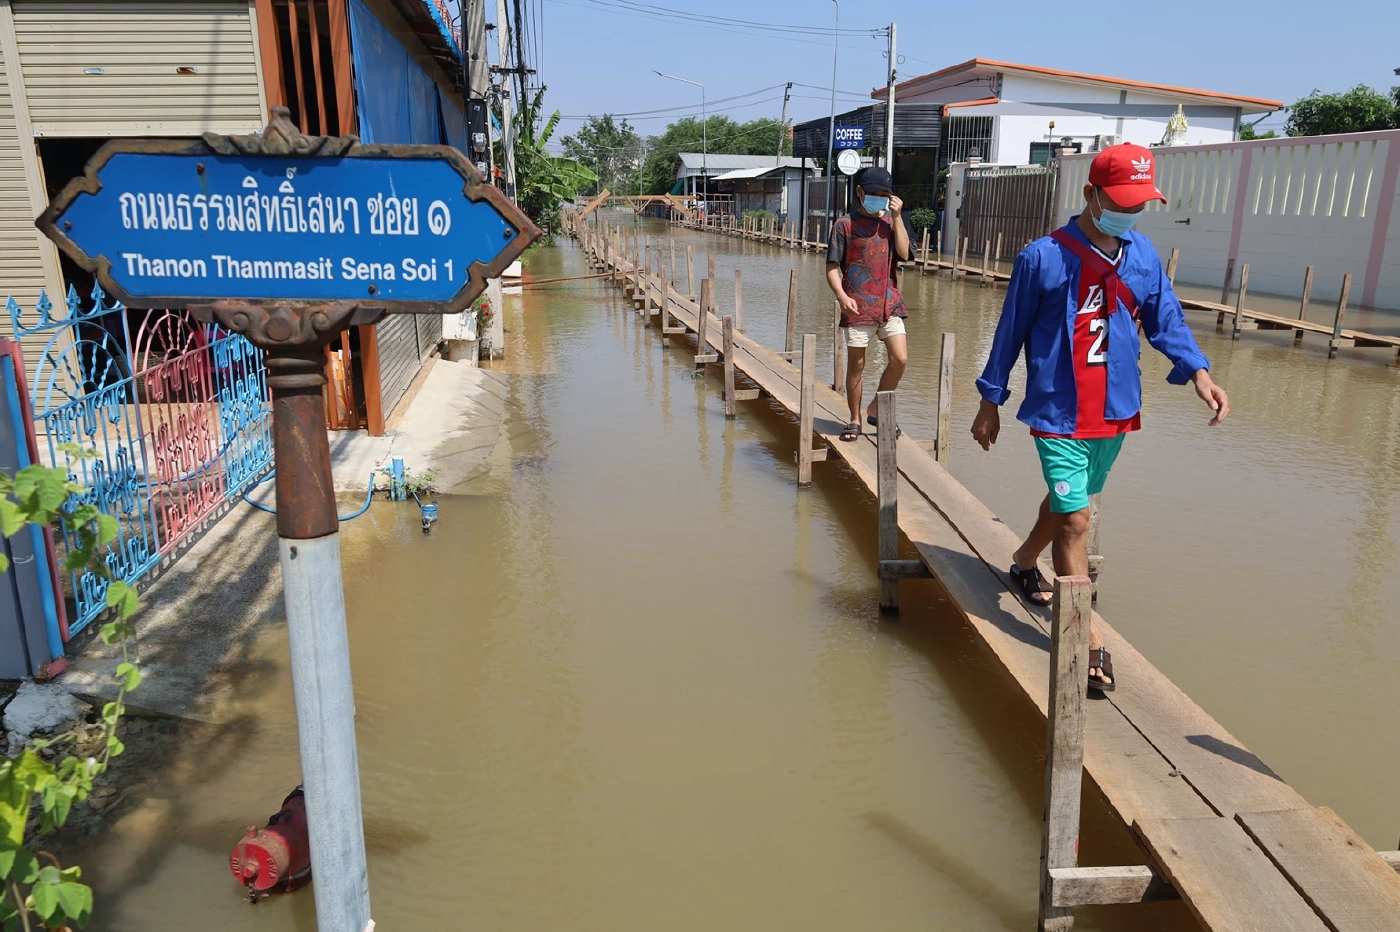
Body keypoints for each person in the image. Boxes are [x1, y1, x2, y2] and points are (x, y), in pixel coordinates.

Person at [970, 143, 1230, 692]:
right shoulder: (1042, 257)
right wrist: (990, 401)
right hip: (1058, 411)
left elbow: (1165, 319)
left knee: (1073, 503)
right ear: (1091, 193)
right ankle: (1087, 639)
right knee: (1077, 522)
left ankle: (1023, 561)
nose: (1130, 213)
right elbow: (1010, 332)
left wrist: (1200, 374)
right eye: (1120, 202)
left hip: (1115, 410)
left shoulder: (1143, 255)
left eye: (1140, 204)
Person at [825, 166, 914, 441]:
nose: (880, 199)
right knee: (857, 365)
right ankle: (855, 419)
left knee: (900, 359)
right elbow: (831, 267)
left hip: (890, 304)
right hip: (857, 305)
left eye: (885, 195)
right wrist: (842, 296)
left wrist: (897, 217)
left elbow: (905, 254)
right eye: (875, 194)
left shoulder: (892, 223)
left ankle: (876, 409)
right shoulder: (844, 225)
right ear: (860, 192)